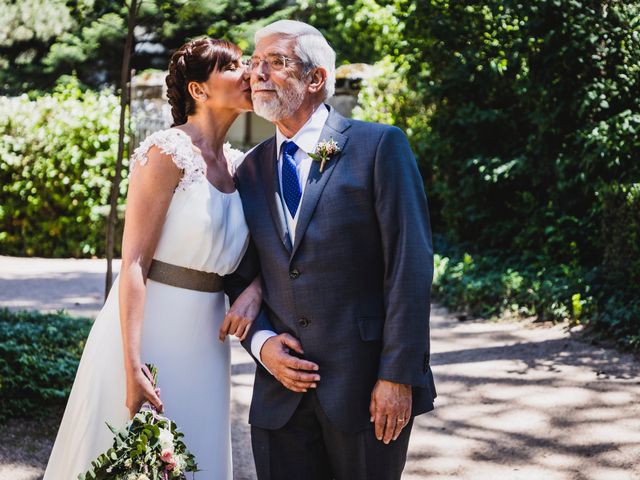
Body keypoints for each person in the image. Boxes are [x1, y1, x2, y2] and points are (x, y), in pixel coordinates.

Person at [43, 38, 261, 480]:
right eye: (234, 66)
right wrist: (132, 366)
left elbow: (259, 257)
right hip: (149, 336)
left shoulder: (242, 166)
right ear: (199, 90)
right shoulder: (166, 152)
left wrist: (256, 289)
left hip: (207, 341)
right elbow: (134, 264)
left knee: (195, 454)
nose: (249, 73)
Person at [235, 20, 437, 480]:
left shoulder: (379, 146)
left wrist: (397, 376)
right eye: (255, 63)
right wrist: (262, 344)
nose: (257, 74)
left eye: (275, 62)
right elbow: (234, 271)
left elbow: (410, 264)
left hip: (366, 387)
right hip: (279, 395)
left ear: (315, 79)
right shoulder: (248, 170)